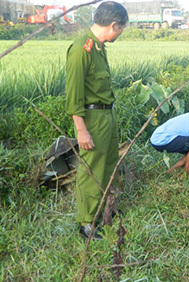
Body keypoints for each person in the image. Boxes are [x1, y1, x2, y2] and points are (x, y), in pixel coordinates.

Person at [65, 1, 128, 240]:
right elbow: (74, 95)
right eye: (121, 28)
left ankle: (106, 209)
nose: (120, 33)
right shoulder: (82, 49)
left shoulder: (99, 48)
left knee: (109, 164)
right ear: (113, 25)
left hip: (107, 115)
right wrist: (81, 129)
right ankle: (86, 222)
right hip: (92, 119)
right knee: (91, 169)